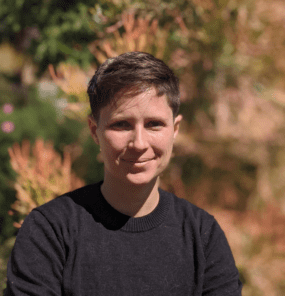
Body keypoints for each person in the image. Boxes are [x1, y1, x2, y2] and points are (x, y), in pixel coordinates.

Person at [5, 52, 242, 295]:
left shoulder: (202, 236)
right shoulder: (50, 231)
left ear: (175, 129)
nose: (139, 143)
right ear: (94, 131)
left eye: (154, 124)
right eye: (121, 124)